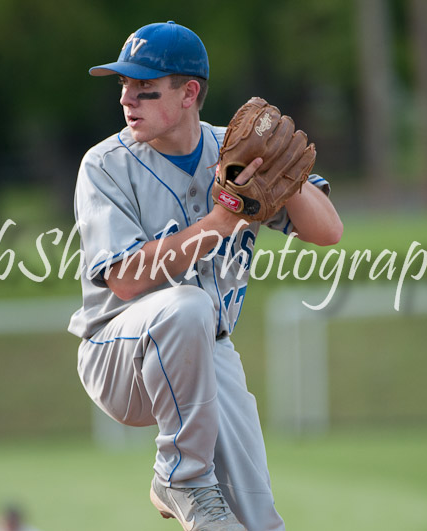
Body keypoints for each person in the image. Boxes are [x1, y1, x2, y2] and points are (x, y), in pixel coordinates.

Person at [69, 21, 343, 530]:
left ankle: (199, 493)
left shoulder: (236, 151)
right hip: (117, 352)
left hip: (205, 353)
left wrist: (286, 177)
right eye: (124, 86)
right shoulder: (104, 164)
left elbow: (328, 231)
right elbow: (126, 280)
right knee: (188, 304)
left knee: (257, 520)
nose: (128, 100)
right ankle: (181, 477)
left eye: (145, 90)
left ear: (189, 92)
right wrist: (221, 222)